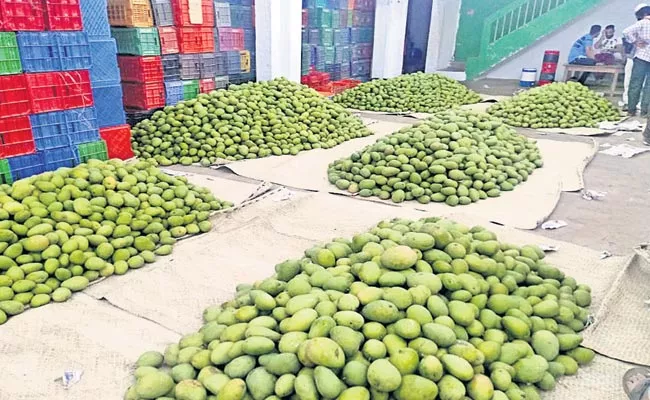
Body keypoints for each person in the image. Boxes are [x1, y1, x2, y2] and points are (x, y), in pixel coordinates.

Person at [624, 5, 650, 116]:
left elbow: (626, 32)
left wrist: (635, 42)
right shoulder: (644, 22)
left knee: (635, 83)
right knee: (649, 86)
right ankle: (645, 111)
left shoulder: (643, 23)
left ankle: (631, 110)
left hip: (641, 56)